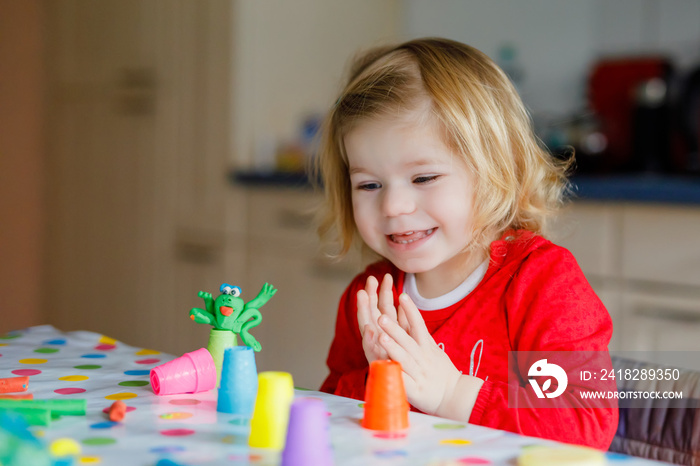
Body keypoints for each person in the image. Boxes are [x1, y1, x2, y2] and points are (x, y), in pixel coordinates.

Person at [313, 37, 617, 449]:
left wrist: (451, 393)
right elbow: (332, 418)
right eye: (369, 184)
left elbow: (585, 427)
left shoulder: (541, 282)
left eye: (423, 178)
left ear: (496, 168)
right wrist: (374, 380)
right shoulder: (369, 299)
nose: (394, 205)